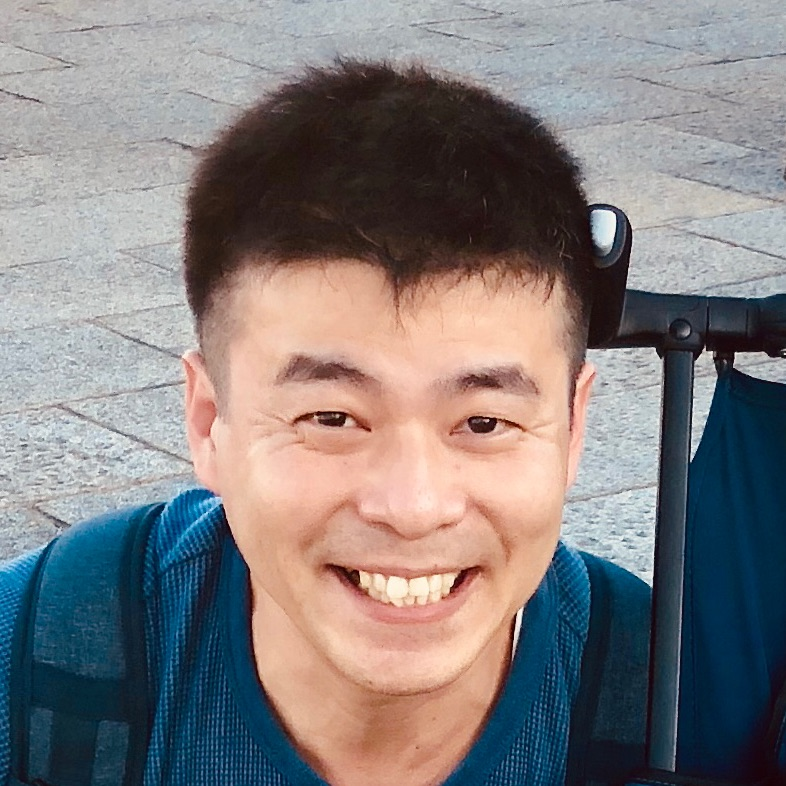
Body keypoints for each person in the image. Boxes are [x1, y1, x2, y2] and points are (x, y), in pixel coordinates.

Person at [0, 60, 649, 785]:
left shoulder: (688, 706)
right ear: (210, 421)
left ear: (572, 428)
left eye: (484, 423)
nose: (412, 508)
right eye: (333, 417)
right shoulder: (36, 660)